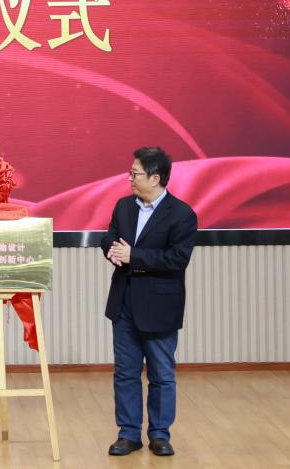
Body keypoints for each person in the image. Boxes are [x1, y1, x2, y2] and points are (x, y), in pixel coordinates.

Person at [100, 146, 198, 458]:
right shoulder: (123, 206)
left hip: (159, 307)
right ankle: (128, 434)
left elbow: (177, 259)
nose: (130, 178)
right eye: (130, 173)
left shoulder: (182, 214)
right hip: (124, 303)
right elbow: (109, 237)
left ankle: (159, 434)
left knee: (161, 375)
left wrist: (135, 256)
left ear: (155, 178)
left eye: (135, 174)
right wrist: (113, 251)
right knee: (125, 373)